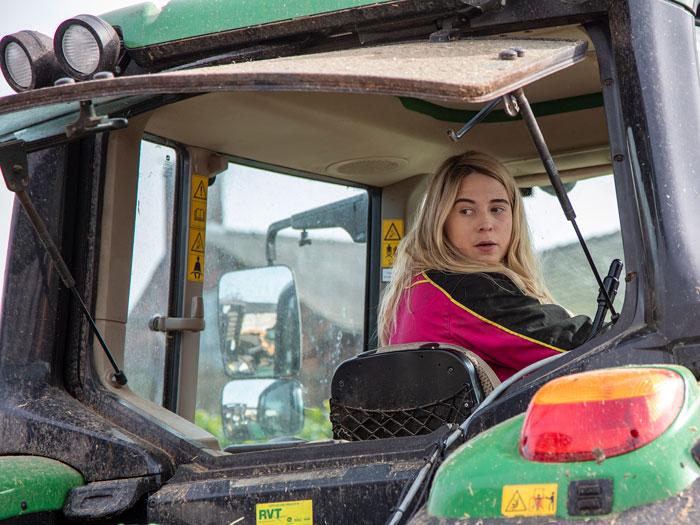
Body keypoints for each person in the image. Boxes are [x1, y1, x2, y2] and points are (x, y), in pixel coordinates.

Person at [377, 151, 591, 380]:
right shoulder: (463, 289)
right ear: (441, 221)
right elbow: (578, 346)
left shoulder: (417, 288)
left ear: (513, 216)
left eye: (497, 209)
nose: (486, 224)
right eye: (466, 211)